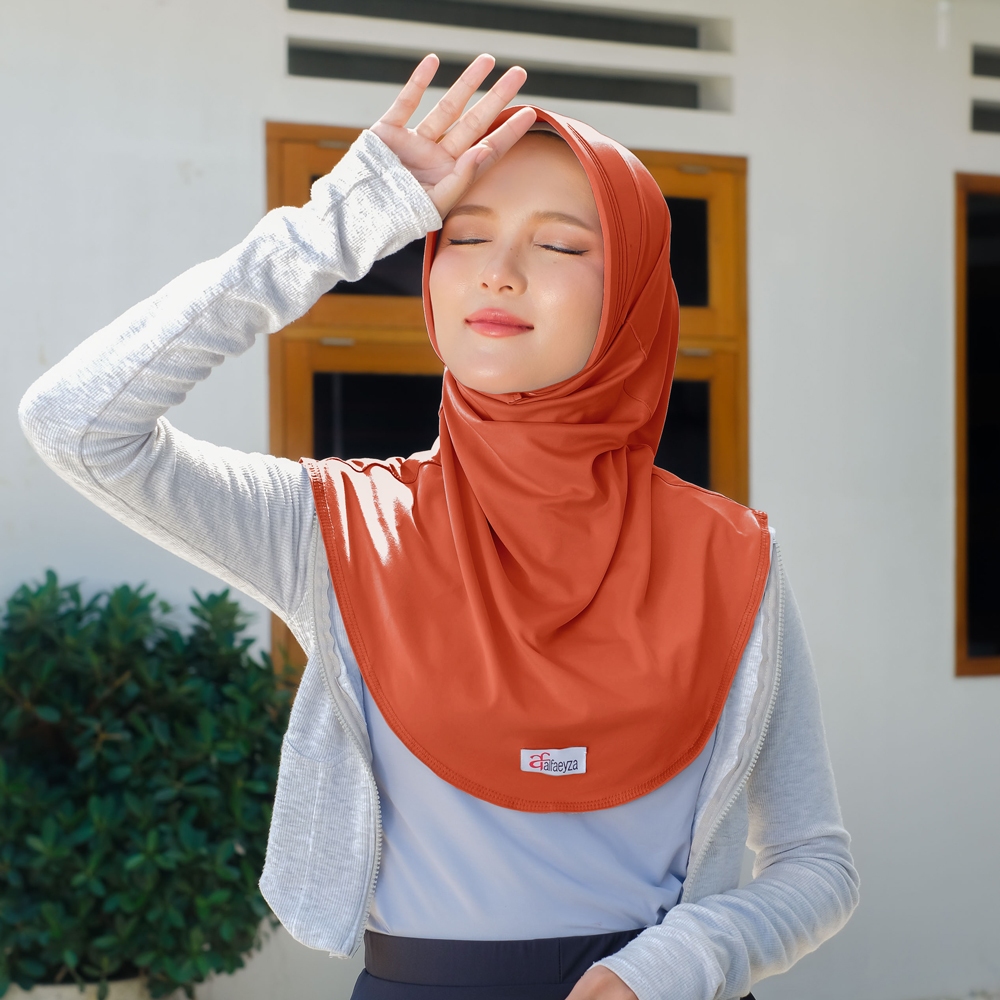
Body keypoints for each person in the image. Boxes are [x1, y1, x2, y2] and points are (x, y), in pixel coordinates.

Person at [19, 53, 859, 1000]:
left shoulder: (732, 558)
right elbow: (78, 423)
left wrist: (679, 963)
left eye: (561, 247)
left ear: (629, 296)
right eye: (463, 235)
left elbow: (815, 861)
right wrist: (346, 220)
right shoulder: (339, 530)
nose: (498, 273)